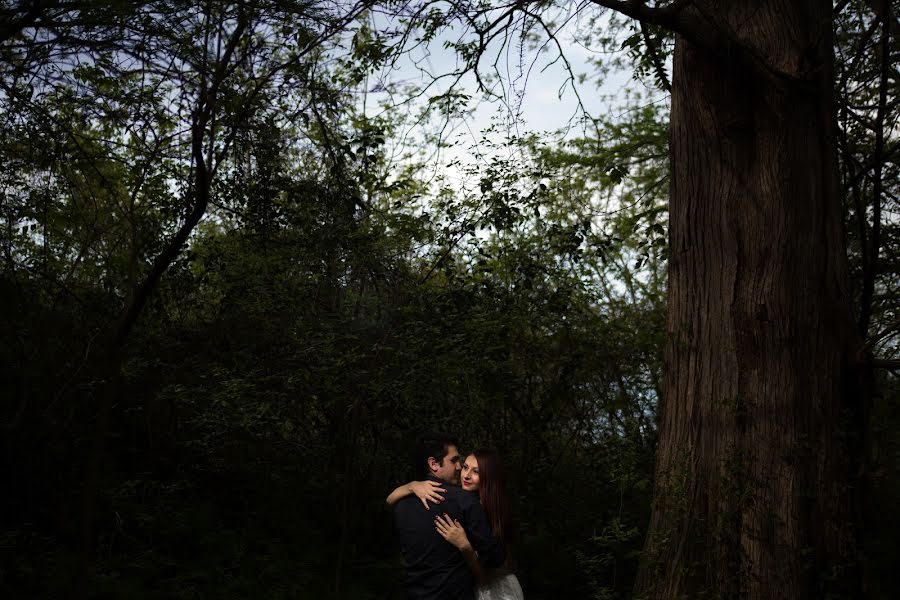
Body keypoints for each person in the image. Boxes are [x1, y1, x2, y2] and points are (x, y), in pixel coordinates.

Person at [389, 447, 524, 600]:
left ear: (488, 476)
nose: (466, 475)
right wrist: (412, 486)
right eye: (465, 467)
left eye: (476, 472)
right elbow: (389, 500)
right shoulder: (463, 501)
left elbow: (488, 575)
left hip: (496, 590)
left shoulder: (488, 509)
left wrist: (464, 546)